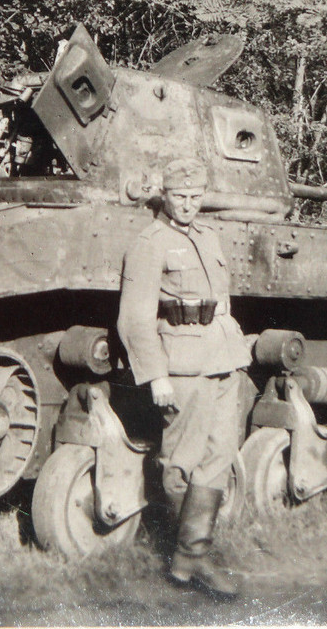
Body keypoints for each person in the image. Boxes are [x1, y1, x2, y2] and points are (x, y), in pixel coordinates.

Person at [117, 157, 250, 598]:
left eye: (195, 196)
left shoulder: (208, 236)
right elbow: (135, 319)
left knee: (220, 454)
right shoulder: (149, 243)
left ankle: (190, 560)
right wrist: (156, 376)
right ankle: (188, 558)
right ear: (165, 195)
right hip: (182, 364)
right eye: (180, 196)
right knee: (180, 463)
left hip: (222, 357)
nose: (189, 204)